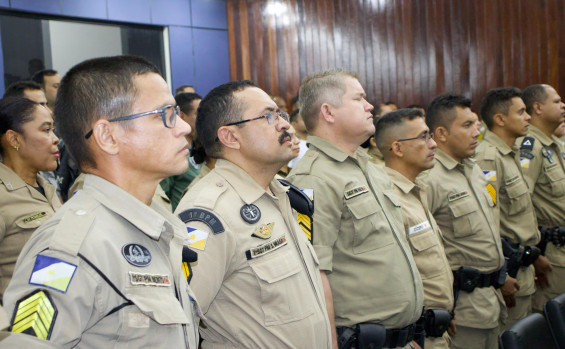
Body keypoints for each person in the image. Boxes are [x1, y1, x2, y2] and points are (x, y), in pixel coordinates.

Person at [3, 55, 199, 348]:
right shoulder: (66, 249)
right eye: (165, 113)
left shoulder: (156, 225)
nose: (183, 127)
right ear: (107, 136)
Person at [175, 80, 332, 348]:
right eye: (268, 116)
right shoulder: (208, 214)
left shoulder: (281, 194)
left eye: (280, 114)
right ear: (230, 137)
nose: (284, 124)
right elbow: (178, 321)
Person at [287, 69, 424, 349]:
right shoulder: (311, 178)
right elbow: (314, 274)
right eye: (359, 98)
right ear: (328, 112)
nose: (369, 105)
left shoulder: (367, 166)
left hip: (402, 338)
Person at [422, 94, 507, 349]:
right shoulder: (429, 179)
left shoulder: (472, 167)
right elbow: (422, 253)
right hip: (462, 311)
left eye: (477, 124)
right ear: (442, 133)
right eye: (467, 125)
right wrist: (437, 307)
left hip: (491, 299)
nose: (477, 132)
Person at [376, 109, 455, 349]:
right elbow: (387, 278)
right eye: (423, 137)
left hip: (437, 327)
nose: (433, 144)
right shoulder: (387, 199)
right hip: (416, 337)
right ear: (398, 148)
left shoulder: (415, 191)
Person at [474, 88, 550, 328]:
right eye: (521, 112)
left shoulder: (512, 153)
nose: (528, 117)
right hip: (510, 270)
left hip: (524, 269)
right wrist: (503, 275)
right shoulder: (488, 157)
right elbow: (490, 222)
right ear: (500, 119)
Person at [0, 98, 61, 302]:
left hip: (58, 321)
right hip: (17, 328)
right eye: (46, 130)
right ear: (14, 139)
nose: (56, 139)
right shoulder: (3, 196)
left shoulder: (48, 190)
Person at [519, 84, 565, 311]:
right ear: (537, 107)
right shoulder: (530, 147)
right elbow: (521, 204)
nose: (563, 105)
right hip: (552, 255)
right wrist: (533, 253)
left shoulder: (554, 144)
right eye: (556, 101)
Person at [160, 92, 203, 210]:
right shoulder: (172, 152)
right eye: (198, 113)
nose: (203, 118)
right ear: (182, 116)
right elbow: (164, 193)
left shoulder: (202, 148)